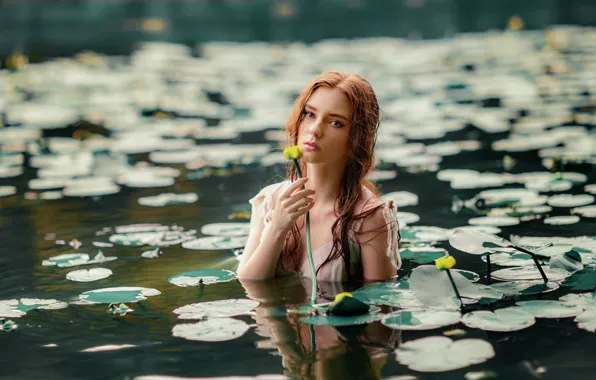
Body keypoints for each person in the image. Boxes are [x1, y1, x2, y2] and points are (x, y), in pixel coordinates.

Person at [237, 72, 401, 282]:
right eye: (309, 114)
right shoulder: (267, 201)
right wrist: (276, 228)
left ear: (357, 138)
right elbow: (249, 285)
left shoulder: (369, 217)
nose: (315, 130)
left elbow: (382, 303)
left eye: (336, 123)